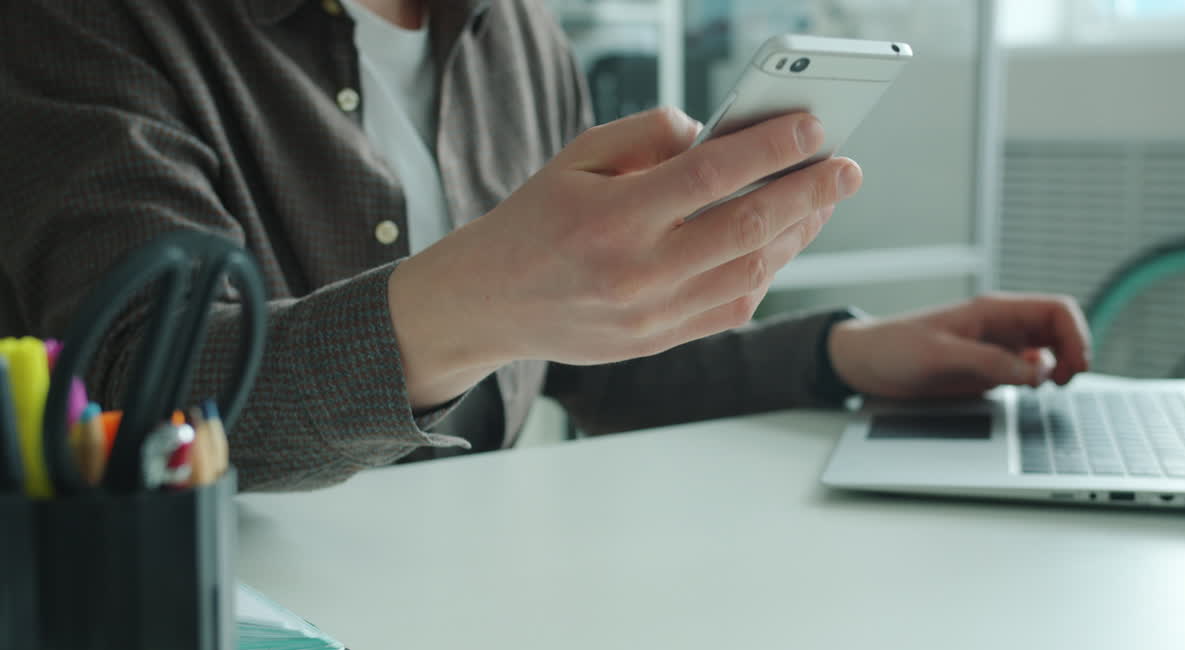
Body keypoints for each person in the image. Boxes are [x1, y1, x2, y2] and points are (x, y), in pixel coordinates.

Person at [0, 0, 1090, 491]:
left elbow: (576, 356)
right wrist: (473, 304)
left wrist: (849, 354)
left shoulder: (516, 34)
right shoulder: (89, 21)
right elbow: (133, 382)